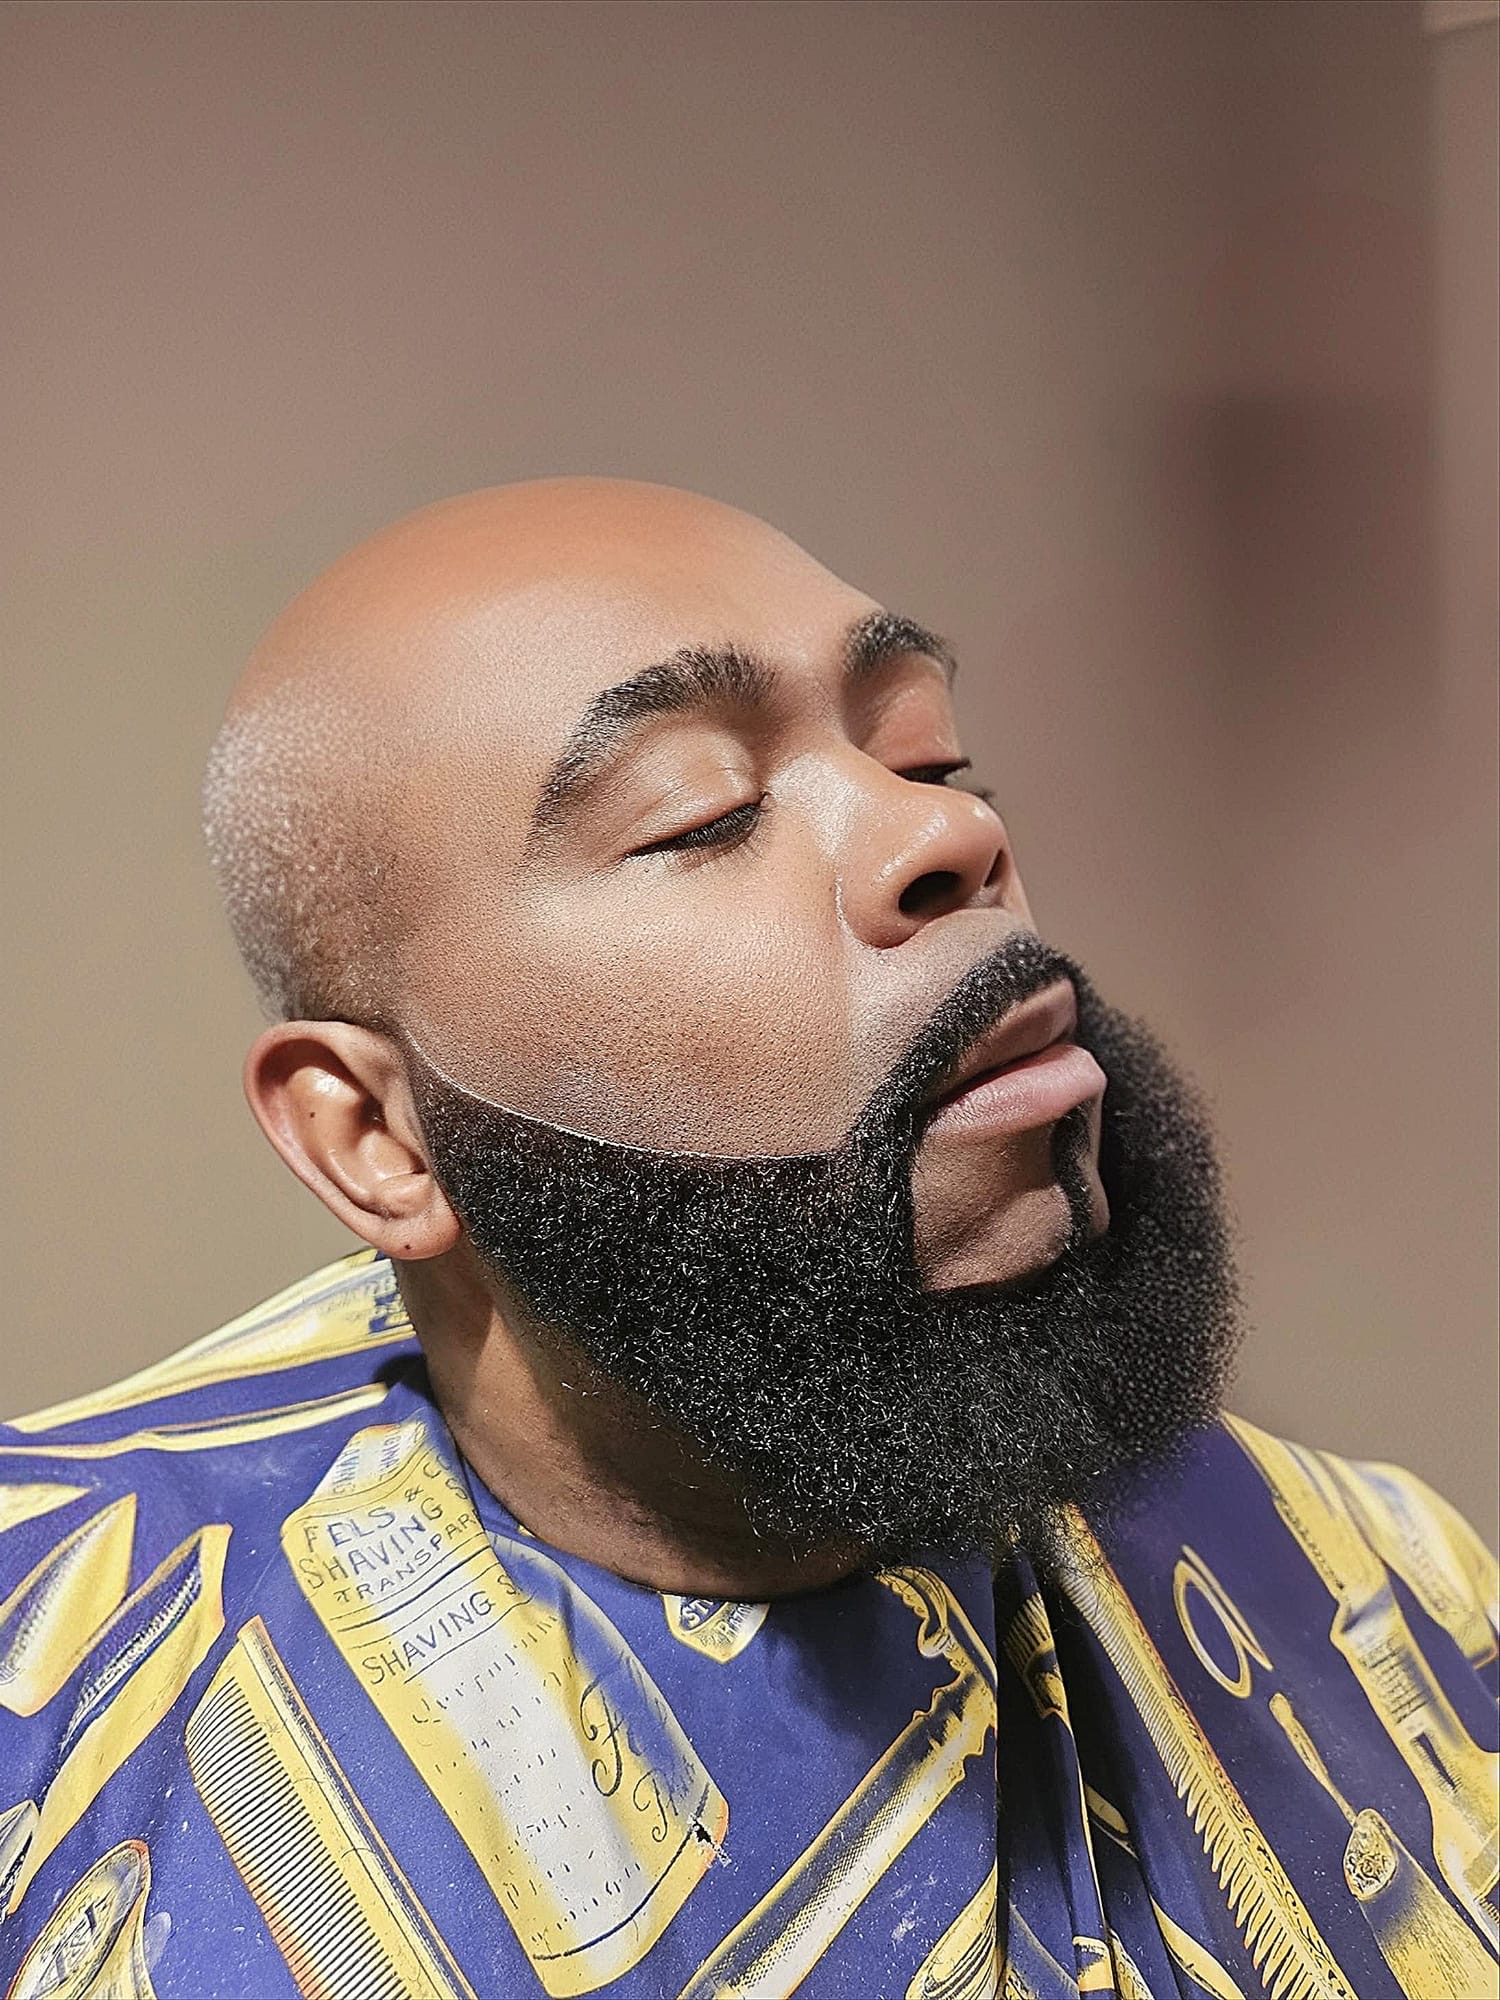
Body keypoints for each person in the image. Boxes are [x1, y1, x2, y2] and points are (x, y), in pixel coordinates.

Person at [0, 480, 1494, 2000]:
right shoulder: (45, 1685)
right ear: (377, 1138)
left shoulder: (1392, 1593)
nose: (951, 831)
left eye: (926, 752)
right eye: (699, 817)